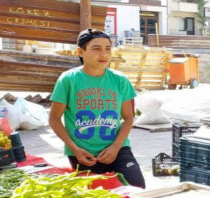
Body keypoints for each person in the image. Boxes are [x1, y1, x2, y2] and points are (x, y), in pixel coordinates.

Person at [49, 28, 145, 187]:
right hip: (82, 153)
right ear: (81, 51)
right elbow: (54, 119)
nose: (104, 54)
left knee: (137, 188)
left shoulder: (120, 80)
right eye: (96, 49)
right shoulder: (67, 80)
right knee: (96, 195)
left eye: (108, 49)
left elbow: (128, 118)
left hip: (118, 149)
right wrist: (75, 149)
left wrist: (115, 147)